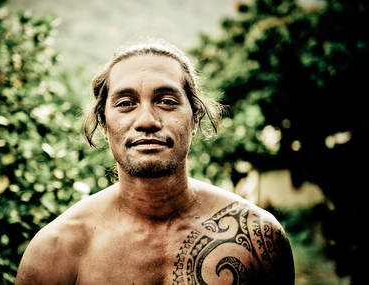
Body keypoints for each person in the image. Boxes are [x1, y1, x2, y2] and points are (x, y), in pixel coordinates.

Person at [15, 40, 295, 284]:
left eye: (167, 101)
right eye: (125, 103)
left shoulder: (257, 239)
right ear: (103, 124)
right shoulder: (56, 249)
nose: (147, 121)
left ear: (195, 118)